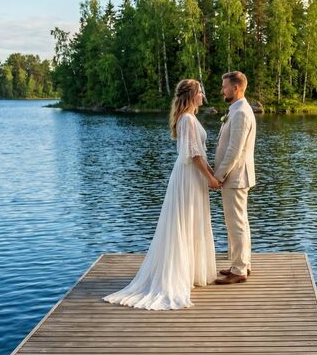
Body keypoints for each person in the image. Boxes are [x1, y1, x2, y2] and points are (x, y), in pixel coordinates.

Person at [103, 79, 220, 309]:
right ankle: (178, 275)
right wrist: (211, 179)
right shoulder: (187, 118)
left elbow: (199, 153)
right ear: (190, 95)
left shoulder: (191, 117)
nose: (202, 95)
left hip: (193, 175)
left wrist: (209, 172)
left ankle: (191, 272)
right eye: (199, 92)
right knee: (183, 222)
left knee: (192, 221)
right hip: (188, 176)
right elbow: (194, 154)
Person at [213, 71, 256, 285]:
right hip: (236, 176)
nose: (222, 90)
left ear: (236, 88)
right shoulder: (237, 109)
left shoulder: (241, 113)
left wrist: (218, 176)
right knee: (240, 222)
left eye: (225, 86)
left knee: (236, 224)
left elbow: (234, 150)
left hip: (236, 177)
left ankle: (239, 270)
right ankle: (242, 264)